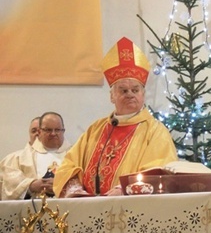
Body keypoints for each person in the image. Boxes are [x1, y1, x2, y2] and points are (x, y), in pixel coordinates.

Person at [53, 37, 177, 197]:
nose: (130, 94)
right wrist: (75, 190)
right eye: (123, 90)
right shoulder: (96, 129)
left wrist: (124, 189)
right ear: (112, 96)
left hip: (131, 210)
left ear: (143, 95)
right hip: (89, 207)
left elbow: (160, 170)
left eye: (135, 90)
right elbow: (68, 165)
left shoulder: (156, 132)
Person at [1, 112, 68, 200]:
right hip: (32, 211)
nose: (53, 133)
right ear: (40, 132)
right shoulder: (18, 158)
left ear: (63, 131)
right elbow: (9, 182)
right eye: (48, 130)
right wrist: (31, 185)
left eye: (57, 130)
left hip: (69, 209)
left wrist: (62, 184)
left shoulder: (75, 154)